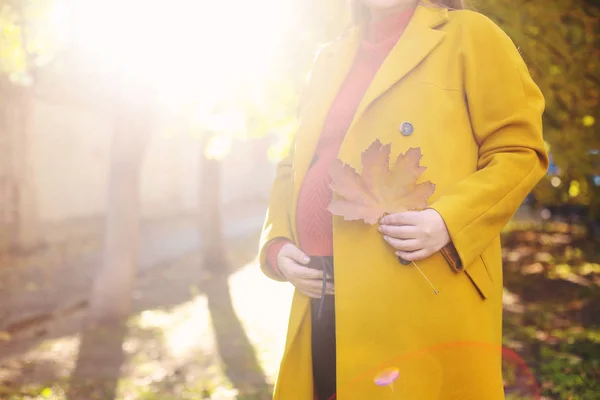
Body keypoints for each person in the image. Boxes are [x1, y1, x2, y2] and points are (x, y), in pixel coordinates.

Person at [258, 0, 548, 398]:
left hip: (419, 282)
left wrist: (448, 221)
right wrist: (276, 244)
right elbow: (293, 164)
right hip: (319, 288)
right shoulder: (328, 57)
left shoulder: (470, 35)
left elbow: (520, 151)